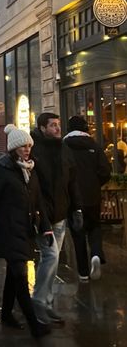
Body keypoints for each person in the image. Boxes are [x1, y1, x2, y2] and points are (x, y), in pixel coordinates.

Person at [0, 125, 52, 339]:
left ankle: (6, 314)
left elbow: (38, 200)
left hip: (25, 229)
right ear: (14, 148)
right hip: (7, 229)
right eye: (23, 146)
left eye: (29, 146)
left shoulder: (30, 170)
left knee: (13, 275)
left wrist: (46, 228)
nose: (27, 149)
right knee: (20, 276)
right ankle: (35, 325)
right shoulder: (2, 170)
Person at [30, 112, 82, 325]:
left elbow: (72, 181)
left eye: (58, 125)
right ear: (42, 128)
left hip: (61, 213)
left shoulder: (64, 149)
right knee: (50, 257)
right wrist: (40, 216)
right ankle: (39, 302)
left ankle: (47, 301)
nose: (57, 128)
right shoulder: (34, 150)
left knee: (53, 258)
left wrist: (77, 208)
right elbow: (34, 188)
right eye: (53, 125)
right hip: (43, 215)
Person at [63, 116, 111, 281]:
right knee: (94, 227)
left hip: (73, 198)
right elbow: (105, 171)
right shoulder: (95, 146)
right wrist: (95, 184)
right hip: (92, 196)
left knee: (78, 233)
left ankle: (83, 273)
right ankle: (96, 254)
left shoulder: (64, 147)